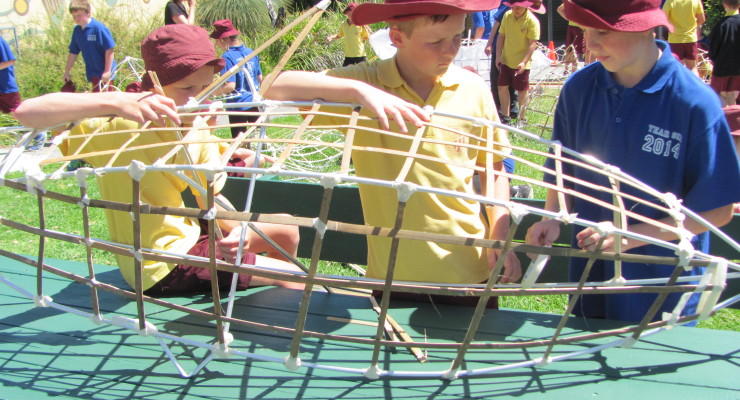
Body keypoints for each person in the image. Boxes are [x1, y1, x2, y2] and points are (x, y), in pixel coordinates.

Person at [266, 0, 522, 307]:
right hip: (393, 274)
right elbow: (273, 85)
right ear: (397, 37)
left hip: (470, 269)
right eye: (435, 42)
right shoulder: (367, 82)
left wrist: (500, 236)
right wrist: (360, 93)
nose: (450, 51)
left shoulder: (472, 88)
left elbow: (493, 168)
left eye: (457, 37)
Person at [13, 25, 303, 296]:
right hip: (159, 263)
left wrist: (238, 232)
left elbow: (210, 199)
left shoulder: (197, 127)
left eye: (206, 86)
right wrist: (115, 101)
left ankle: (269, 303)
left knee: (287, 228)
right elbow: (26, 112)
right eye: (186, 89)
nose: (198, 100)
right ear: (153, 86)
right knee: (295, 275)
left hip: (191, 235)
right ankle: (276, 297)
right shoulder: (119, 128)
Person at [525, 0, 740, 324]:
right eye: (585, 30)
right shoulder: (578, 89)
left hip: (665, 285)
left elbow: (718, 211)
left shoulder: (694, 102)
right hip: (592, 275)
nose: (590, 44)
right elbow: (560, 165)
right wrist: (553, 216)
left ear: (645, 28)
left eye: (603, 32)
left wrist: (630, 237)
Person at [211, 19, 264, 139]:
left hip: (238, 105)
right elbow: (259, 78)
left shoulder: (227, 57)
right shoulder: (251, 52)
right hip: (255, 101)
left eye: (217, 40)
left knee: (239, 139)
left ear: (224, 39)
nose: (216, 44)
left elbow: (230, 86)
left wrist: (212, 93)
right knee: (258, 135)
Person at [495, 0, 543, 125]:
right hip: (506, 59)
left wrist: (524, 62)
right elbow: (501, 36)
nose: (515, 10)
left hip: (522, 62)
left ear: (525, 7)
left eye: (518, 7)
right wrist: (498, 56)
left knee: (522, 90)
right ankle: (505, 117)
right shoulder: (507, 15)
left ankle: (522, 118)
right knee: (502, 87)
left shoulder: (532, 21)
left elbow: (533, 44)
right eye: (513, 7)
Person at [63, 0, 116, 92]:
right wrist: (67, 71)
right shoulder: (77, 31)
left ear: (88, 13)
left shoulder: (98, 28)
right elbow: (73, 52)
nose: (76, 18)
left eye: (79, 15)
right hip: (92, 72)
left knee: (107, 98)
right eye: (74, 16)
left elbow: (109, 49)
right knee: (96, 97)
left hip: (104, 73)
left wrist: (107, 71)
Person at [484, 3, 519, 121]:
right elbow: (498, 24)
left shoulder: (510, 3)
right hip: (502, 49)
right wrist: (490, 43)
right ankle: (504, 111)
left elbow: (497, 24)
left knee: (503, 82)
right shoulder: (508, 5)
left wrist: (489, 43)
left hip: (509, 50)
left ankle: (509, 111)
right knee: (501, 82)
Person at [707, 0, 739, 106]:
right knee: (732, 93)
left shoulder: (721, 25)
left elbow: (714, 46)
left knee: (716, 94)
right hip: (738, 67)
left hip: (722, 67)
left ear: (724, 4)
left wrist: (712, 58)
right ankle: (733, 113)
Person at [662, 0, 705, 75]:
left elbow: (663, 18)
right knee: (692, 68)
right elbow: (701, 20)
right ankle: (693, 83)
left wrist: (671, 26)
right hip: (690, 38)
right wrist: (691, 25)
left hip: (675, 39)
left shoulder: (670, 1)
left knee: (678, 68)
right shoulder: (696, 1)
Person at [557, 4, 586, 74]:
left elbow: (559, 9)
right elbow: (559, 9)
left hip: (571, 26)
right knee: (576, 49)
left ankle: (567, 68)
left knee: (570, 48)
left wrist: (569, 18)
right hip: (579, 27)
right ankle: (574, 69)